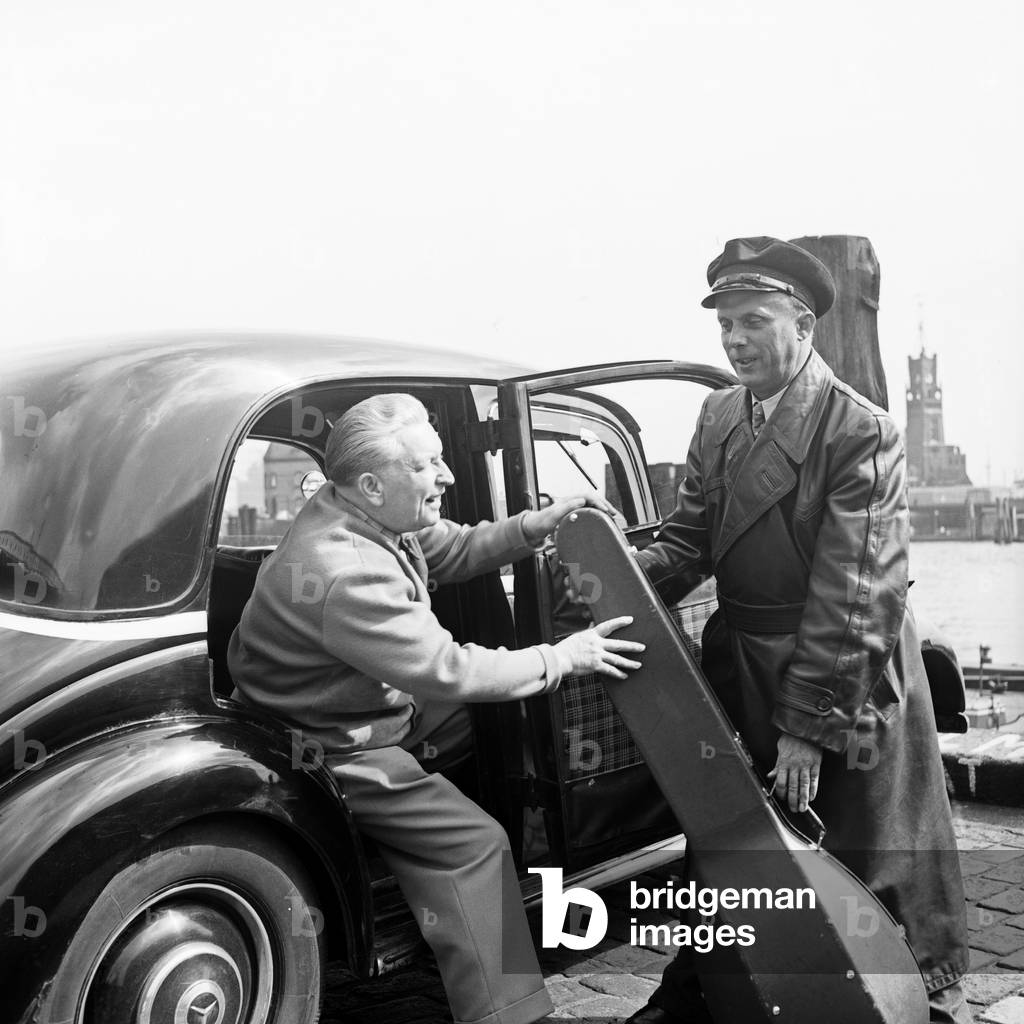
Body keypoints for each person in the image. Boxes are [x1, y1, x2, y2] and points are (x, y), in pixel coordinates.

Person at [622, 237, 970, 1024]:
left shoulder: (860, 430)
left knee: (862, 859)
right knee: (744, 849)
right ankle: (722, 985)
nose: (735, 341)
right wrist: (607, 572)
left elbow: (856, 594)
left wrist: (810, 729)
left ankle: (903, 999)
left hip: (844, 675)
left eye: (754, 321)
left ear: (804, 325)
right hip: (747, 668)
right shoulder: (718, 415)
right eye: (725, 327)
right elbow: (691, 540)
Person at [228, 392, 644, 1024]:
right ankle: (510, 1012)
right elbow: (451, 669)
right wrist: (565, 657)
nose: (446, 476)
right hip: (330, 744)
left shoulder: (361, 511)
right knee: (475, 846)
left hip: (356, 704)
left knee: (503, 719)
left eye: (443, 459)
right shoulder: (346, 571)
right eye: (428, 466)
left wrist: (536, 526)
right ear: (372, 483)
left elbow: (450, 550)